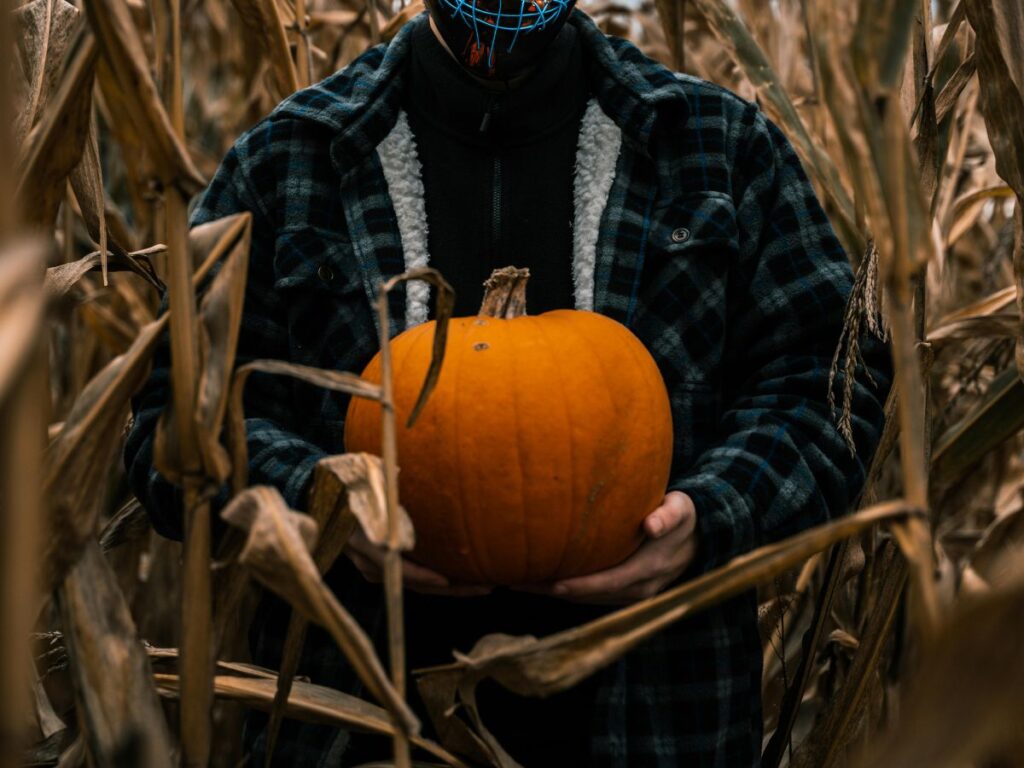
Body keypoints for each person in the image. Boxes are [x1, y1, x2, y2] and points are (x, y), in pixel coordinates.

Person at [125, 0, 891, 764]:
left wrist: (710, 516)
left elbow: (830, 388)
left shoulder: (716, 149)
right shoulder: (290, 161)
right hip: (355, 727)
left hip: (657, 720)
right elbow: (175, 430)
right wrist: (324, 508)